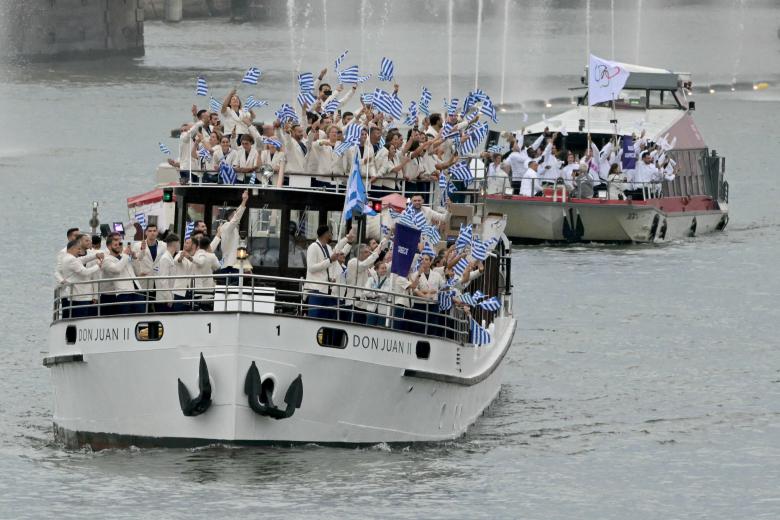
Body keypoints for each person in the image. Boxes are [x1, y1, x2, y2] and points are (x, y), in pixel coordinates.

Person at [303, 225, 353, 320]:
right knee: (314, 319)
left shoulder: (328, 248)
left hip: (326, 290)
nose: (332, 234)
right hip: (316, 289)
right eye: (330, 232)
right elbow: (311, 268)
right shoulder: (313, 247)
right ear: (325, 234)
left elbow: (338, 251)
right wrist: (329, 260)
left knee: (325, 320)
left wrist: (347, 239)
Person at [211, 190, 249, 282]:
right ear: (229, 217)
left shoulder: (235, 230)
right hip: (229, 267)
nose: (236, 216)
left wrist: (246, 266)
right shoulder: (227, 226)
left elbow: (240, 249)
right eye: (234, 215)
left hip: (236, 266)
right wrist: (244, 201)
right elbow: (236, 219)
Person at [60, 238, 103, 318]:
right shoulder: (72, 259)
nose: (80, 251)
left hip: (76, 294)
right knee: (81, 319)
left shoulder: (67, 258)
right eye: (78, 249)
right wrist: (98, 266)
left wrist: (95, 256)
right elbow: (85, 272)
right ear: (72, 248)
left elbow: (82, 259)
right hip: (80, 296)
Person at [102, 233, 144, 315]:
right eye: (116, 242)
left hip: (137, 290)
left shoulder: (125, 257)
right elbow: (117, 269)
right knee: (126, 318)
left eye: (120, 242)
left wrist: (134, 258)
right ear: (109, 246)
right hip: (123, 293)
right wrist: (125, 255)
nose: (119, 244)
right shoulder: (106, 260)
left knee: (141, 316)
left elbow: (138, 272)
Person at [345, 241, 386, 324]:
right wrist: (375, 254)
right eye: (366, 252)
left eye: (369, 252)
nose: (369, 254)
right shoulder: (353, 262)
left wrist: (386, 239)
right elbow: (363, 265)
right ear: (359, 253)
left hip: (364, 304)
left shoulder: (368, 268)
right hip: (353, 303)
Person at [409, 253, 445, 335]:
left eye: (426, 259)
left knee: (432, 328)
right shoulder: (415, 274)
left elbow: (443, 287)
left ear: (430, 262)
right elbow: (414, 289)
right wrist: (426, 293)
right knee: (418, 328)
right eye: (422, 259)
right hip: (420, 304)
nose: (424, 261)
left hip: (433, 305)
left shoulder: (437, 275)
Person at [132, 223, 161, 311]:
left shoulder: (163, 245)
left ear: (157, 232)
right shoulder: (137, 245)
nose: (152, 233)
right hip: (143, 280)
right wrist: (138, 273)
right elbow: (135, 261)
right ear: (146, 233)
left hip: (157, 280)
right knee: (144, 307)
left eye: (154, 231)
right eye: (150, 231)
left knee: (157, 306)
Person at [155, 233, 181, 312]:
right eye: (179, 243)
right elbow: (163, 280)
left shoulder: (169, 257)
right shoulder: (165, 258)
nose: (179, 245)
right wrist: (168, 298)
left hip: (168, 297)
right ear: (175, 243)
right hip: (164, 299)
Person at [363, 260, 391, 327]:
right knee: (369, 328)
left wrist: (375, 294)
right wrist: (376, 295)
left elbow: (387, 294)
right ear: (376, 269)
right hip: (371, 309)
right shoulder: (371, 279)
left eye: (385, 268)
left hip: (383, 310)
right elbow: (366, 292)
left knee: (380, 330)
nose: (384, 270)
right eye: (382, 268)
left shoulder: (389, 280)